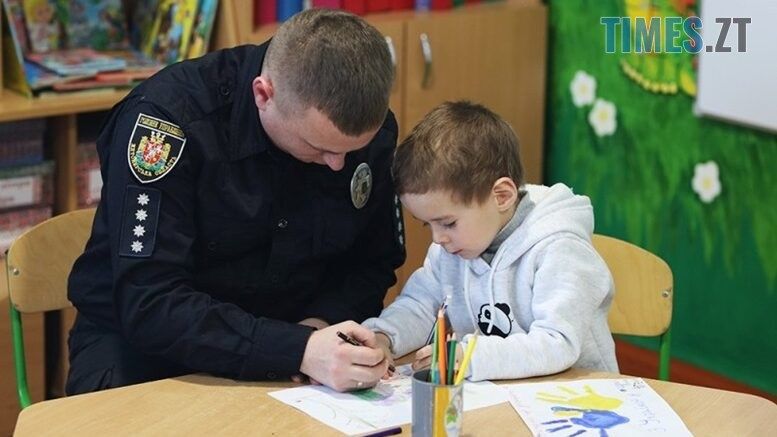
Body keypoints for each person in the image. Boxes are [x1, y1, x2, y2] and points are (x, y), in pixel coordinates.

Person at [66, 8, 405, 395]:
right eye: (318, 147)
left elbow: (372, 261)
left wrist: (320, 323)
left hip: (300, 349)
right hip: (145, 349)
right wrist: (294, 349)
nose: (337, 164)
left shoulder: (364, 130)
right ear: (263, 94)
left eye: (351, 150)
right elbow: (150, 302)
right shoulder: (167, 123)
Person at [363, 101, 618, 381]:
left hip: (578, 398)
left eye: (448, 223)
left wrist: (467, 356)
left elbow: (558, 343)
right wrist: (383, 337)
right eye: (429, 224)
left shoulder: (559, 248)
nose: (438, 238)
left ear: (502, 196)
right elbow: (421, 305)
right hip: (499, 397)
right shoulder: (454, 247)